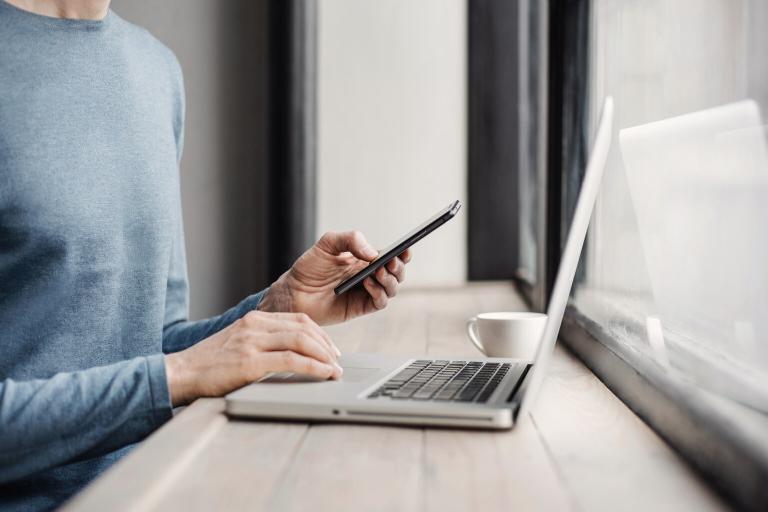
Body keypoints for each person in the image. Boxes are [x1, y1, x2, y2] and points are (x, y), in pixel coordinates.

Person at [0, 1, 411, 509]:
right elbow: (171, 372)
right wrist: (179, 375)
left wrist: (278, 307)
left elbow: (156, 347)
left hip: (155, 488)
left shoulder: (156, 71)